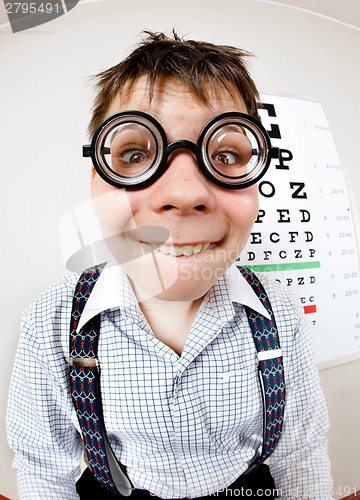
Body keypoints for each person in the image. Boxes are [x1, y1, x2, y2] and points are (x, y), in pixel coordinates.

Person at [7, 31, 333, 499]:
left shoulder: (281, 312)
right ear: (98, 181)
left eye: (224, 155)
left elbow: (300, 454)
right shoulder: (50, 322)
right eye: (136, 155)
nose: (184, 194)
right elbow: (43, 470)